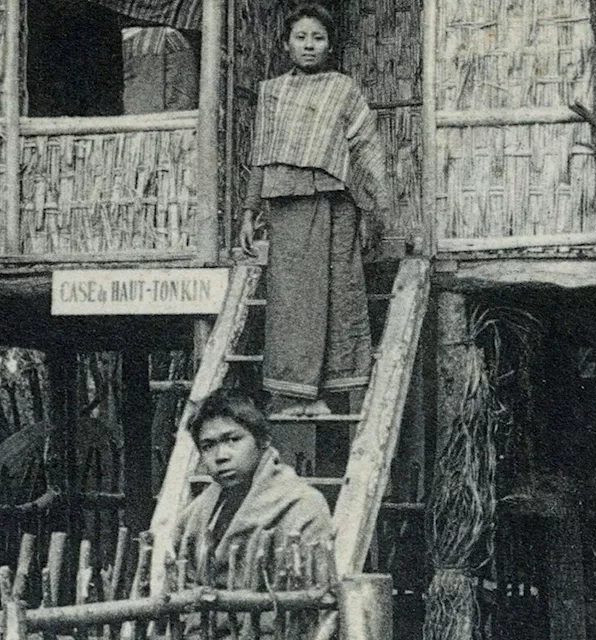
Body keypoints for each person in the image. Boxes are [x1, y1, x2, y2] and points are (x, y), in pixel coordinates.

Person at [239, 3, 393, 417]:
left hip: (337, 200)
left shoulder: (343, 89)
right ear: (286, 45)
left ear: (329, 46)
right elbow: (260, 155)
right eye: (301, 37)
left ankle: (332, 393)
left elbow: (365, 150)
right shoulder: (271, 92)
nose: (309, 45)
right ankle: (294, 395)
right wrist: (249, 211)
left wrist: (376, 211)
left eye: (318, 38)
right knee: (293, 297)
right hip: (286, 201)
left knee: (340, 291)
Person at [173, 389, 335, 635]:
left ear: (262, 441)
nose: (221, 456)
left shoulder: (302, 505)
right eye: (208, 446)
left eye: (233, 439)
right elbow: (181, 591)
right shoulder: (195, 515)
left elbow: (312, 601)